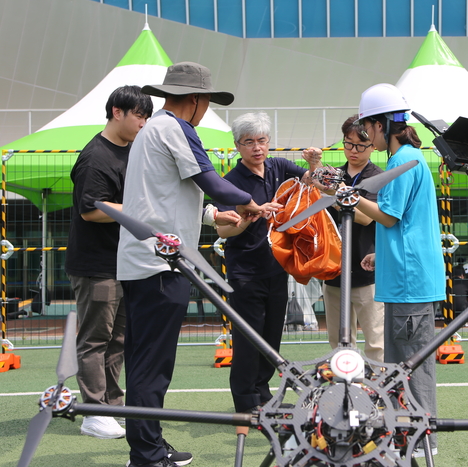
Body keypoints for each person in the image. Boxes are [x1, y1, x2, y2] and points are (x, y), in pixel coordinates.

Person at [117, 62, 269, 467]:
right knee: (153, 365)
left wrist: (213, 217)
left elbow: (169, 194)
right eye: (207, 103)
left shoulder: (152, 131)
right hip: (161, 265)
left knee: (143, 362)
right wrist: (249, 202)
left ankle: (148, 443)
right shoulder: (176, 129)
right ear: (197, 101)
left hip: (142, 261)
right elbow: (210, 182)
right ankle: (147, 455)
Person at [354, 83, 444, 456]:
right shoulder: (408, 158)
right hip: (407, 278)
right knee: (401, 366)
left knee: (412, 367)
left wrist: (349, 195)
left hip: (410, 285)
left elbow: (389, 217)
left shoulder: (402, 160)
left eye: (366, 130)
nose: (365, 138)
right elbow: (404, 223)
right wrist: (383, 256)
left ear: (380, 125)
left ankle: (423, 442)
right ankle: (411, 438)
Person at [214, 112, 321, 414]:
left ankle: (263, 395)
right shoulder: (230, 182)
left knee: (272, 337)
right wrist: (251, 216)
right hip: (245, 272)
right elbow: (223, 229)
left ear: (269, 142)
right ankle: (246, 402)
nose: (257, 148)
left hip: (278, 267)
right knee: (248, 339)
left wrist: (314, 163)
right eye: (249, 142)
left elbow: (312, 182)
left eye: (261, 141)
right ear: (237, 145)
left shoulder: (277, 166)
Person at [65, 85, 153, 439]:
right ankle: (93, 411)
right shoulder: (96, 156)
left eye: (146, 116)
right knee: (95, 339)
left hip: (123, 263)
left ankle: (111, 407)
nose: (143, 123)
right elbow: (91, 209)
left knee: (118, 338)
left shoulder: (131, 151)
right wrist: (143, 213)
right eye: (139, 115)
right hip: (96, 266)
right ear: (117, 112)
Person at [320, 115, 384, 362]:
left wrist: (333, 196)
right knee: (338, 343)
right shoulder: (334, 175)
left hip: (367, 269)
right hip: (333, 269)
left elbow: (365, 218)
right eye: (348, 143)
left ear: (372, 146)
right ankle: (344, 393)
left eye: (360, 145)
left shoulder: (378, 177)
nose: (353, 151)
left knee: (376, 342)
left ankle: (378, 394)